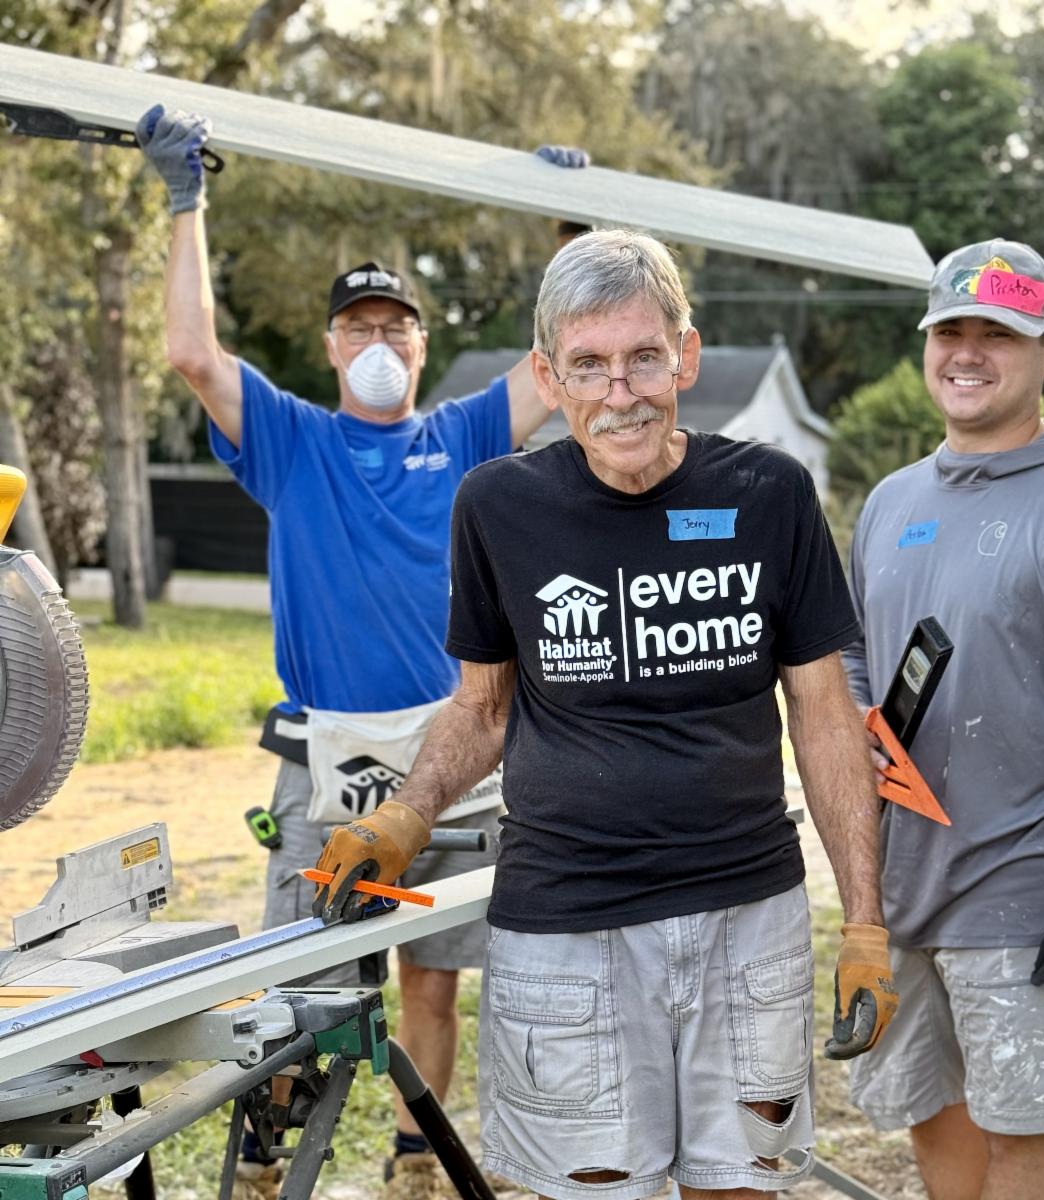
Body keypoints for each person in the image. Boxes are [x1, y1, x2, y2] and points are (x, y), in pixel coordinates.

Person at [313, 228, 899, 1198]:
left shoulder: (771, 495)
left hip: (747, 915)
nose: (619, 391)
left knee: (739, 1189)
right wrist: (405, 815)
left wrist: (865, 926)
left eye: (643, 358)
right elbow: (482, 708)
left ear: (686, 357)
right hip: (567, 927)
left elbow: (825, 715)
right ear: (548, 376)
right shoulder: (497, 506)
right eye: (587, 364)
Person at [136, 105, 587, 1200]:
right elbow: (192, 353)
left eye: (396, 327)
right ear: (331, 345)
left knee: (432, 981)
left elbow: (564, 365)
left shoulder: (463, 436)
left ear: (422, 346)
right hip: (326, 761)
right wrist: (187, 200)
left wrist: (572, 229)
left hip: (448, 760)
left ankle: (416, 1159)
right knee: (301, 983)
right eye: (358, 328)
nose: (378, 344)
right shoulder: (292, 440)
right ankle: (266, 1160)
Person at [841, 238, 1044, 1200]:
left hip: (1022, 894)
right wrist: (856, 714)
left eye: (1000, 334)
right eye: (951, 331)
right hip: (900, 885)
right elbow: (855, 650)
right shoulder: (891, 501)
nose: (968, 354)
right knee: (931, 1113)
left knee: (1020, 1133)